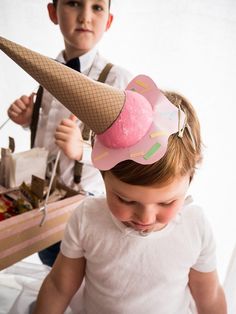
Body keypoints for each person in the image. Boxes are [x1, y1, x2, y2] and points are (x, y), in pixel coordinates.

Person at [0, 36, 226, 313]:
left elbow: (210, 297)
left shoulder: (195, 227)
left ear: (190, 178)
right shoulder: (87, 218)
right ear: (104, 177)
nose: (145, 218)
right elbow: (60, 286)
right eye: (126, 199)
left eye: (166, 203)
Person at [7, 0, 132, 267]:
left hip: (84, 207)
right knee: (49, 263)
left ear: (109, 21)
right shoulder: (45, 68)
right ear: (53, 12)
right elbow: (49, 128)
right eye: (74, 3)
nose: (85, 16)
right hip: (43, 200)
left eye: (97, 7)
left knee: (78, 274)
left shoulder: (116, 80)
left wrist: (82, 151)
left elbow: (126, 153)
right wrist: (28, 120)